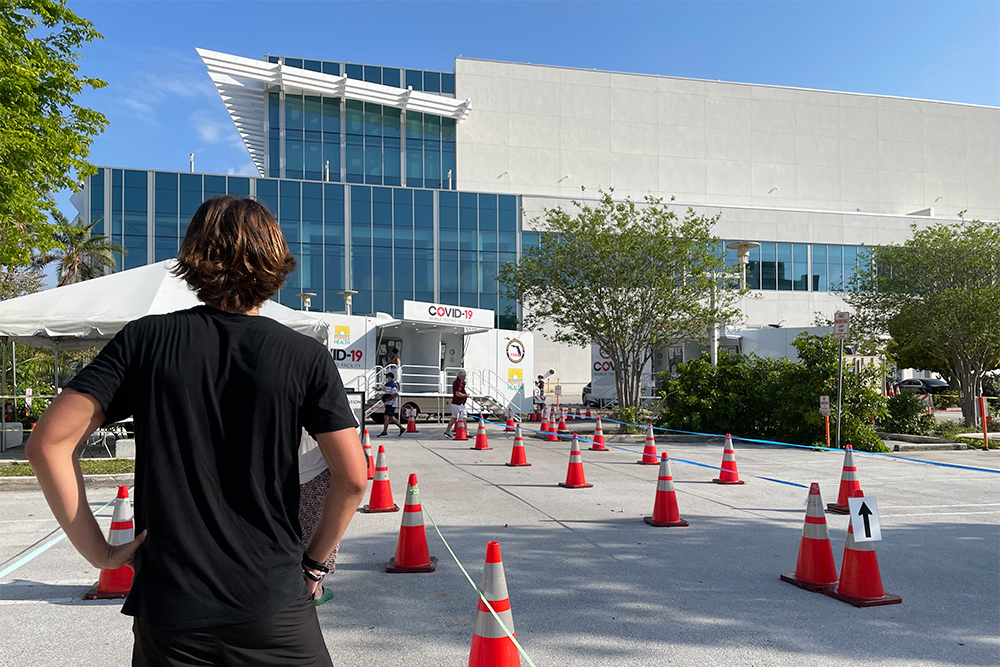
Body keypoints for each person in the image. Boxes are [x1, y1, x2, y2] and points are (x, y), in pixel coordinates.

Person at [26, 195, 369, 666]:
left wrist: (101, 554)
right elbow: (352, 478)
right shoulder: (303, 356)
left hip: (171, 605)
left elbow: (48, 443)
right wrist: (313, 564)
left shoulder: (144, 340)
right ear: (275, 259)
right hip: (272, 598)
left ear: (194, 257)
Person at [377, 371, 405, 437]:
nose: (386, 378)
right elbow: (381, 389)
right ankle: (401, 428)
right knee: (391, 417)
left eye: (387, 377)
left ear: (390, 377)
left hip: (391, 404)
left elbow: (395, 394)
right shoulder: (387, 384)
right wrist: (376, 389)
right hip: (388, 403)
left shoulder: (393, 385)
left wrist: (388, 399)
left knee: (386, 417)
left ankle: (385, 431)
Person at [443, 370, 469, 438]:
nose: (464, 378)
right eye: (464, 376)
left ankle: (447, 431)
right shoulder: (459, 383)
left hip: (454, 403)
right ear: (462, 376)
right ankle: (466, 433)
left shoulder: (455, 382)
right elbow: (458, 393)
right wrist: (465, 395)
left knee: (454, 418)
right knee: (464, 418)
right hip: (459, 404)